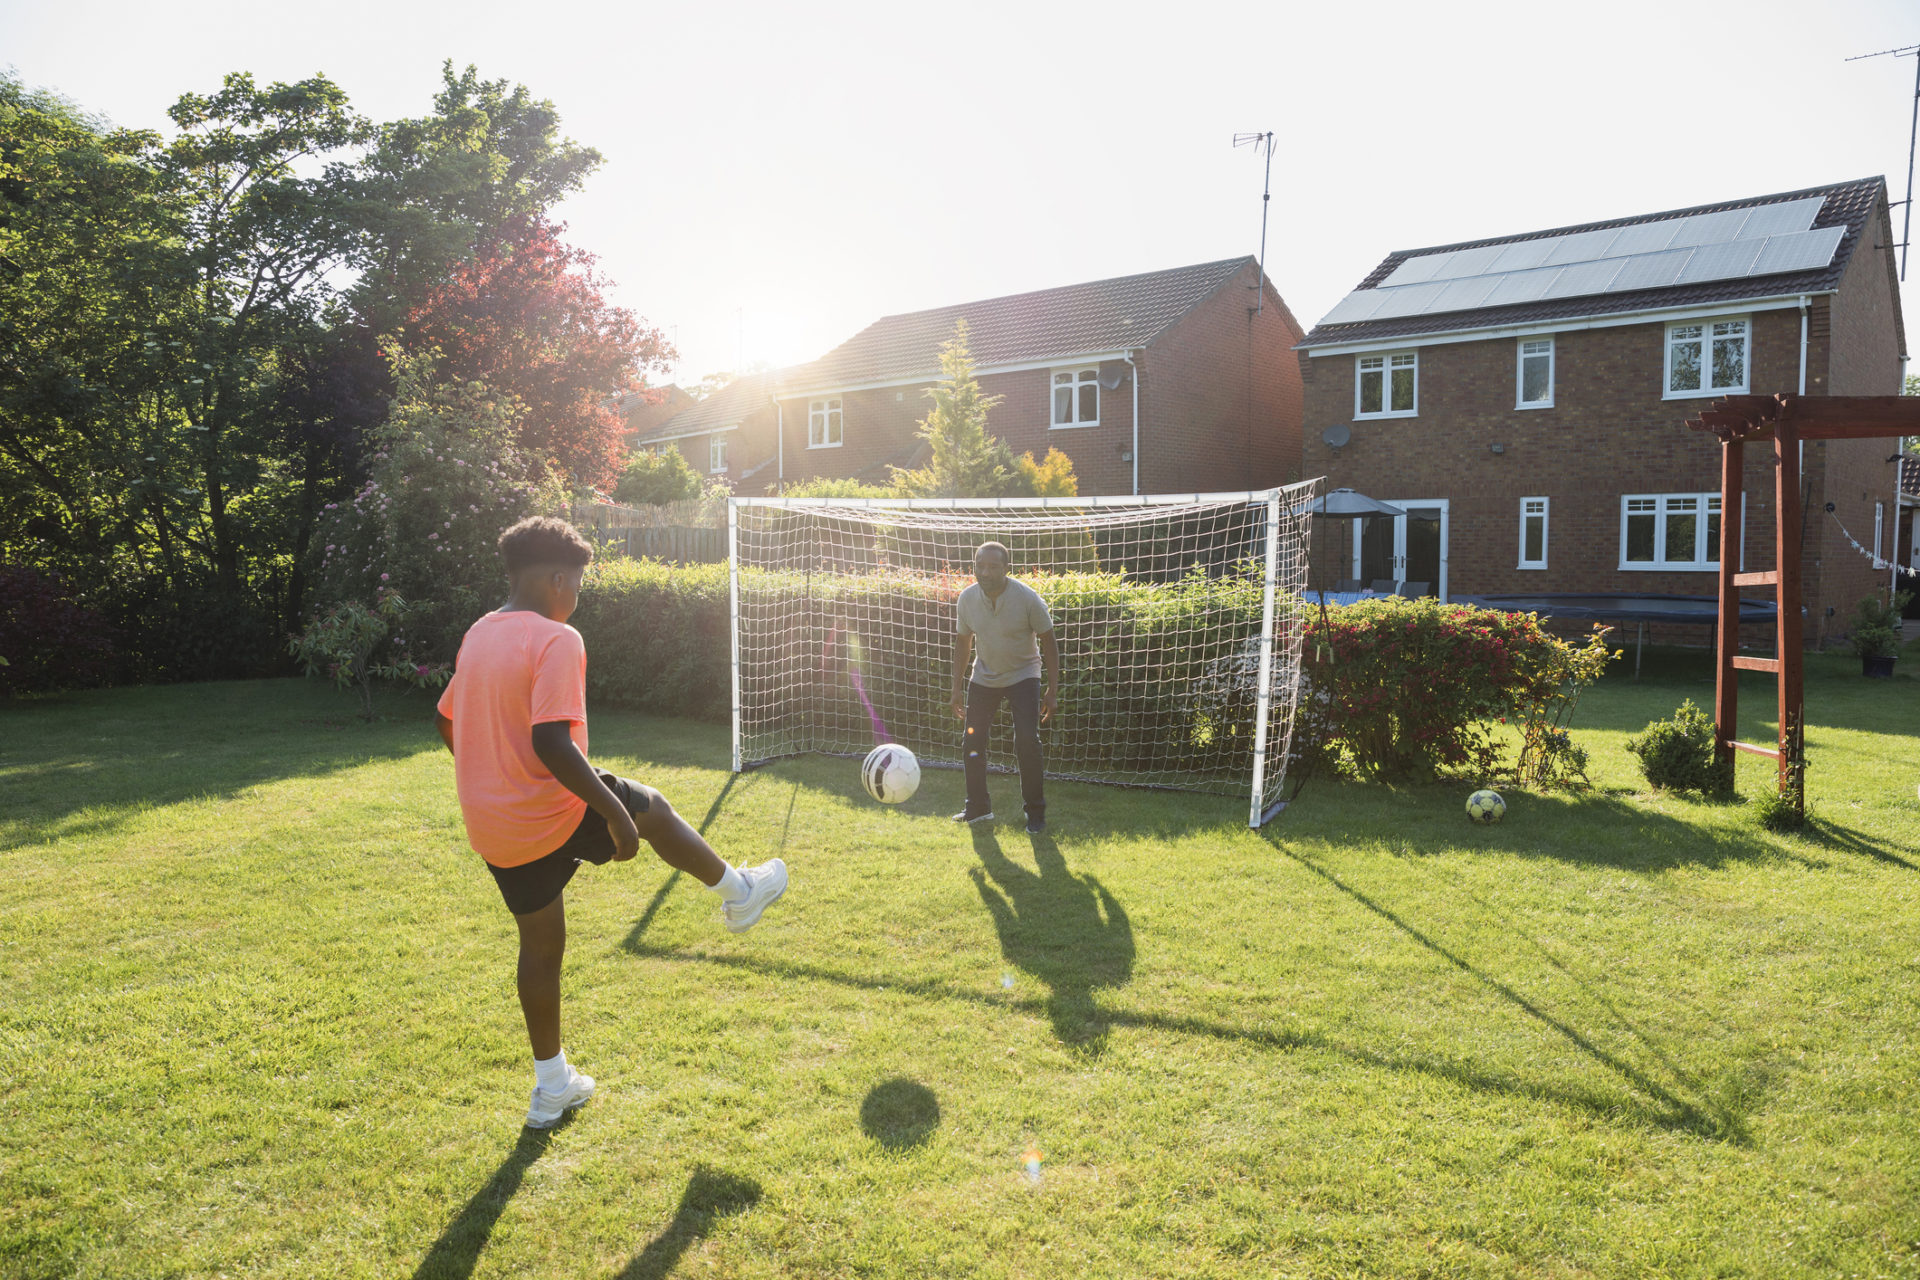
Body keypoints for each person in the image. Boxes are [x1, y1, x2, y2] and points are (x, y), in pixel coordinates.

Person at [435, 516, 787, 1129]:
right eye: (579, 582)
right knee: (649, 806)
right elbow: (552, 743)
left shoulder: (478, 634)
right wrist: (616, 817)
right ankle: (740, 892)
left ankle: (552, 1087)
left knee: (540, 947)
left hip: (494, 824)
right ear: (556, 578)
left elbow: (444, 718)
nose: (579, 594)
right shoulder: (556, 639)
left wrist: (493, 772)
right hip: (548, 809)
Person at [949, 540, 1060, 834]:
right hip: (984, 677)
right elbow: (963, 642)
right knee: (972, 741)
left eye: (993, 567)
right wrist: (956, 689)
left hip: (1024, 675)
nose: (985, 573)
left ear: (1006, 569)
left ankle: (1035, 814)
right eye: (980, 566)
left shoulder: (1027, 598)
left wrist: (1052, 690)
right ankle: (977, 808)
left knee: (1027, 740)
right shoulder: (967, 599)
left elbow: (1048, 641)